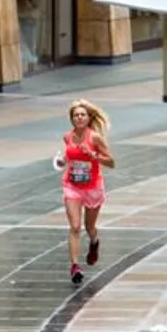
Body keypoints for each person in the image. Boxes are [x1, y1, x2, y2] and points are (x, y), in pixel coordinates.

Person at [57, 101, 114, 287]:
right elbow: (67, 157)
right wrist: (61, 160)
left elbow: (111, 162)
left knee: (90, 227)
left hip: (92, 187)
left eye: (82, 115)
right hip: (72, 185)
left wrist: (93, 155)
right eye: (76, 115)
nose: (79, 118)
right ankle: (75, 266)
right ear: (71, 119)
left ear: (88, 118)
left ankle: (94, 241)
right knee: (75, 226)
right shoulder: (68, 137)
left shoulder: (95, 138)